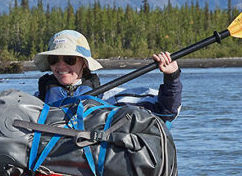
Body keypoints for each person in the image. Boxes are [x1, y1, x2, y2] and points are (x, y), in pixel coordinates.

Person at [31, 29, 181, 123]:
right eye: (54, 59)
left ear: (84, 63)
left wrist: (171, 78)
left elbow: (167, 111)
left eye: (69, 59)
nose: (61, 65)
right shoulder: (35, 102)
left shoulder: (111, 98)